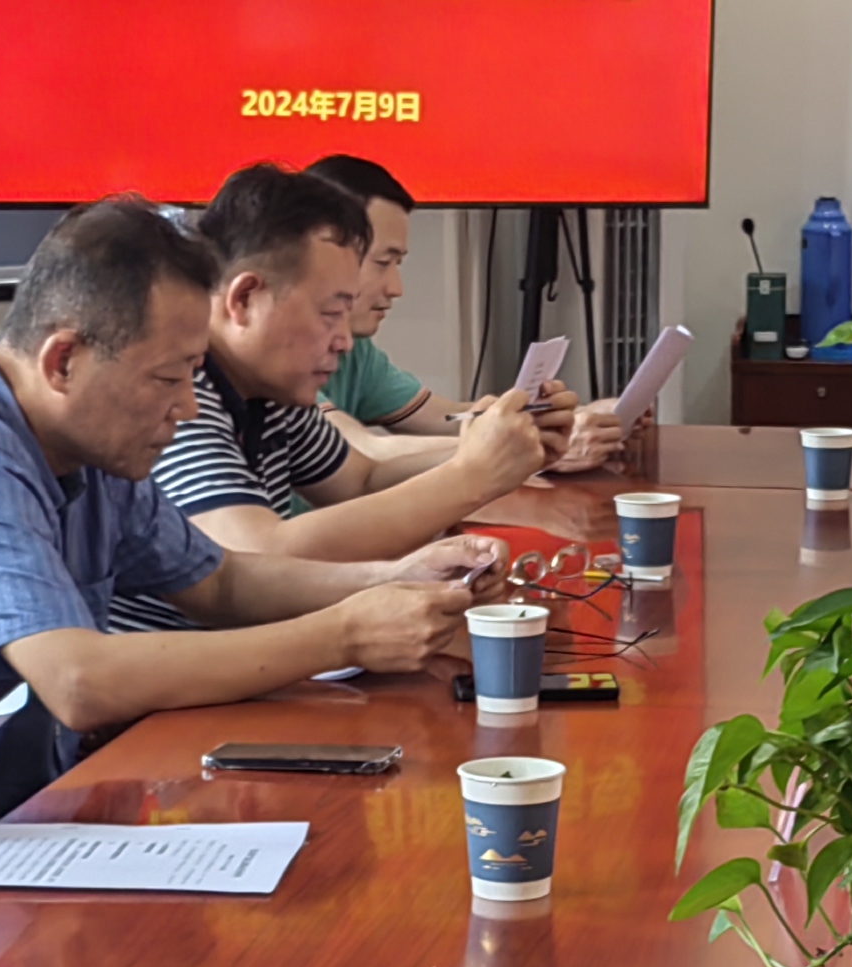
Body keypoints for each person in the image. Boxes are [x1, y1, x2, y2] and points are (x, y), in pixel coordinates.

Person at [0, 196, 490, 821]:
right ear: (64, 359)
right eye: (169, 378)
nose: (189, 408)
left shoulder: (87, 441)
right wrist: (346, 632)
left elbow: (218, 583)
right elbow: (78, 681)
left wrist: (393, 579)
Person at [111, 164, 555, 627]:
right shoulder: (180, 392)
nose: (344, 341)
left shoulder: (268, 389)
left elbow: (360, 479)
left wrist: (502, 445)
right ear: (244, 299)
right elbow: (255, 555)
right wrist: (471, 477)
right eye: (330, 313)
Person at [301, 153, 624, 471]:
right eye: (383, 262)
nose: (397, 289)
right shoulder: (282, 358)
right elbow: (358, 453)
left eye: (397, 263)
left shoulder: (355, 350)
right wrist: (526, 447)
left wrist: (562, 421)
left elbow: (448, 418)